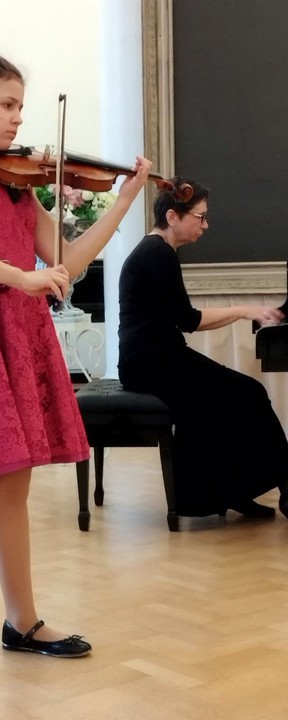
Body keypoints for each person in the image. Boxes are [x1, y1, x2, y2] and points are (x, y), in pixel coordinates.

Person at [0, 52, 152, 690]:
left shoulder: (15, 183)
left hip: (15, 330)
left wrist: (123, 202)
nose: (17, 119)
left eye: (20, 107)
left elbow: (66, 258)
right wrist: (19, 277)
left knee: (13, 487)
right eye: (6, 104)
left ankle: (23, 621)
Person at [118, 177, 288, 522]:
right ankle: (279, 490)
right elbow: (189, 320)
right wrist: (245, 310)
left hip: (153, 358)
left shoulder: (157, 251)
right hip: (151, 362)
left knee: (234, 398)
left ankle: (232, 492)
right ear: (172, 217)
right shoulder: (157, 254)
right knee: (250, 393)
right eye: (201, 217)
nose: (205, 225)